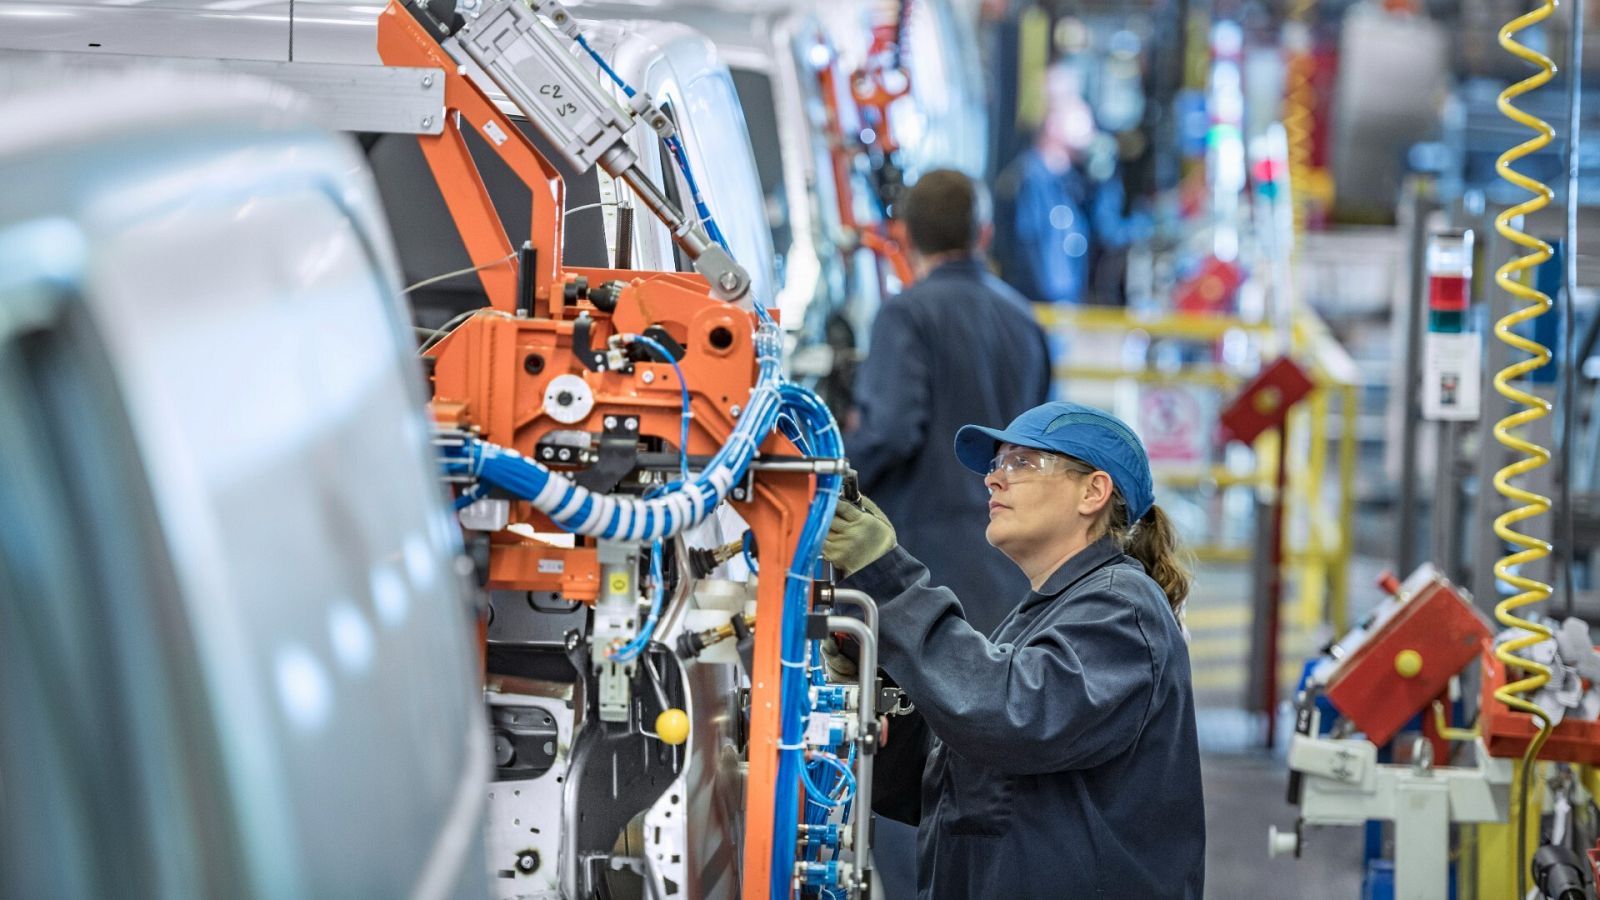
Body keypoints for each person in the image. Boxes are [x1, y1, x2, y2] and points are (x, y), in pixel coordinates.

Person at [824, 401, 1205, 899]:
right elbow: (949, 781)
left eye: (1021, 462)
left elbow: (1012, 716)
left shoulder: (1122, 609)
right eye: (995, 464)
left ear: (1093, 491)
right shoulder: (1044, 617)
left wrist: (890, 583)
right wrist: (879, 672)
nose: (993, 479)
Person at [846, 168, 1051, 637]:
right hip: (1012, 565)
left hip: (920, 566)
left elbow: (890, 432)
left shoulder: (906, 313)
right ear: (984, 233)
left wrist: (827, 483)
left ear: (904, 236)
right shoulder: (1025, 321)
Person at [993, 66, 1147, 305]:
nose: (1085, 118)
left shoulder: (1072, 181)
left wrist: (1102, 167)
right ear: (1052, 121)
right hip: (1046, 309)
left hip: (1064, 305)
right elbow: (1033, 254)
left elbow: (1108, 229)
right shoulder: (1032, 180)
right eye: (1072, 106)